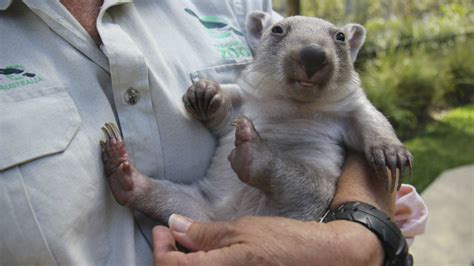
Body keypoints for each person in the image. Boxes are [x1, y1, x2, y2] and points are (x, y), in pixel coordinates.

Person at [0, 0, 427, 265]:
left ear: (349, 46)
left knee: (289, 184)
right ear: (264, 36)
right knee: (192, 203)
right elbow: (249, 90)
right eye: (278, 34)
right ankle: (140, 188)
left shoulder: (232, 6)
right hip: (207, 208)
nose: (312, 54)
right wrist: (220, 100)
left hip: (293, 203)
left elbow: (359, 122)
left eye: (337, 43)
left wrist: (360, 234)